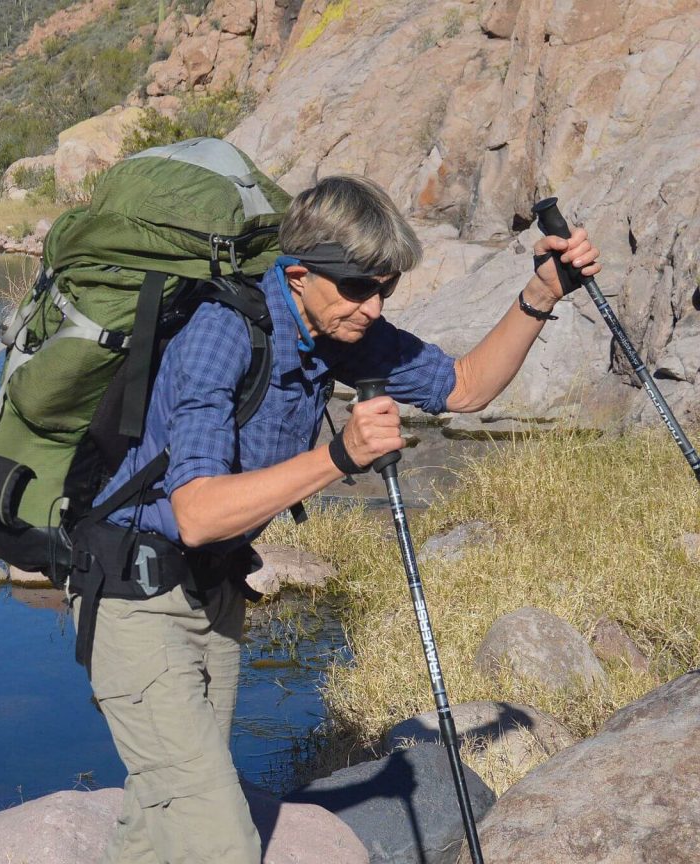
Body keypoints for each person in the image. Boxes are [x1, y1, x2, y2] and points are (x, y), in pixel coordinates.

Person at [79, 174, 601, 863]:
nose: (374, 305)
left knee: (160, 817)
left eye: (385, 287)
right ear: (299, 275)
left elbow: (466, 386)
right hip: (135, 593)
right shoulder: (221, 334)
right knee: (218, 839)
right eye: (359, 287)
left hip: (214, 591)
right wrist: (341, 455)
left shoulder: (340, 327)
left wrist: (540, 295)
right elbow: (198, 512)